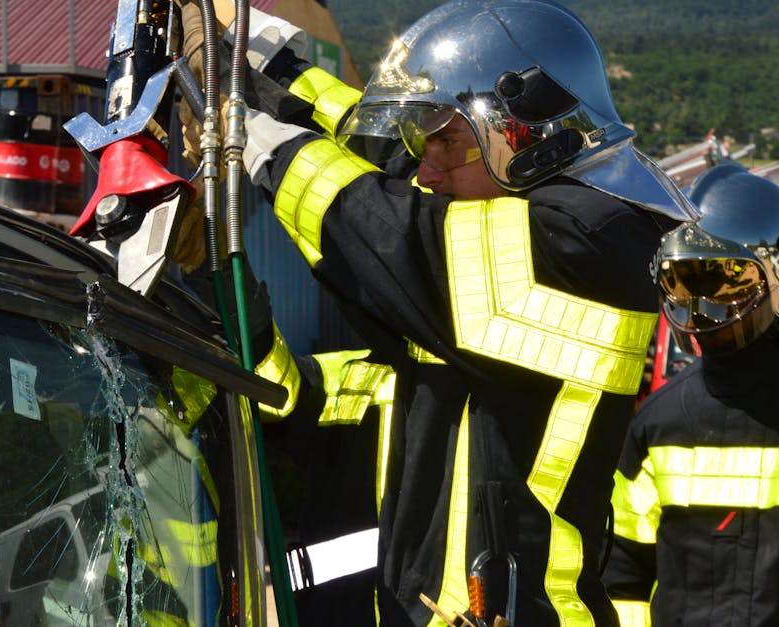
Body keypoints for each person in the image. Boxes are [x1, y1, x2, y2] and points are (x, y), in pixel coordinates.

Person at [183, 0, 698, 624]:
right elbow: (387, 158)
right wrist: (261, 55)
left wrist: (246, 135)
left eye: (447, 142)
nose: (425, 170)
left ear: (522, 134)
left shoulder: (593, 244)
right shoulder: (522, 206)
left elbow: (383, 230)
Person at [603, 163, 779, 627]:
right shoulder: (659, 423)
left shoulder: (660, 418)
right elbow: (623, 574)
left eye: (720, 281)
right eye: (681, 283)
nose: (699, 309)